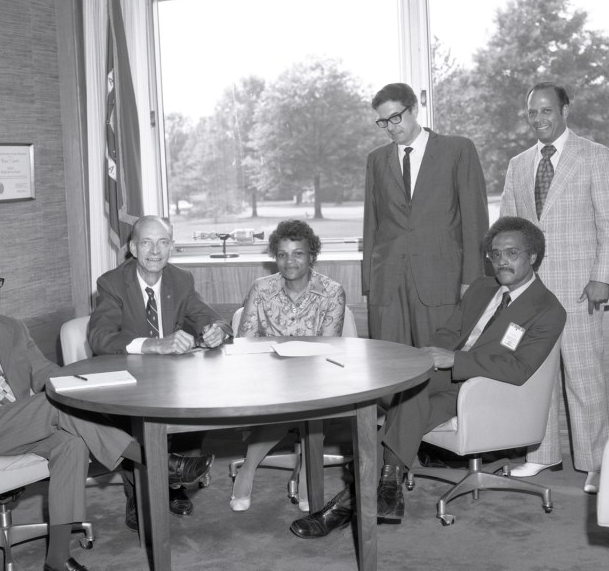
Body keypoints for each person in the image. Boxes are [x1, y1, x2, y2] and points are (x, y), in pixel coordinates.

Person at [0, 252, 213, 571]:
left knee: (70, 443)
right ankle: (156, 459)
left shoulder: (12, 327)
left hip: (16, 422)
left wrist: (88, 385)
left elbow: (46, 374)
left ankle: (57, 559)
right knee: (54, 405)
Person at [289, 216, 566, 537]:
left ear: (532, 255)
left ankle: (346, 503)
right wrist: (429, 356)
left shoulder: (547, 309)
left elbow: (520, 369)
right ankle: (386, 490)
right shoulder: (482, 288)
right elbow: (449, 331)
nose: (501, 261)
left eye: (512, 253)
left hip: (485, 390)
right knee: (388, 384)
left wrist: (455, 360)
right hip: (442, 376)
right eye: (495, 254)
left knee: (405, 395)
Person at [498, 82, 609, 495]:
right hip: (532, 292)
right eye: (532, 113)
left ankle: (596, 463)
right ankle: (541, 454)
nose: (539, 120)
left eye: (546, 111)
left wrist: (602, 276)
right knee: (536, 372)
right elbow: (508, 228)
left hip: (580, 288)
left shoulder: (595, 156)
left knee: (584, 376)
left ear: (565, 110)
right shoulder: (519, 164)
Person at [87, 215, 233, 526]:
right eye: (147, 242)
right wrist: (154, 345)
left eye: (163, 242)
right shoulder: (112, 283)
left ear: (172, 247)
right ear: (132, 247)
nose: (155, 250)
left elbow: (212, 319)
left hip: (172, 378)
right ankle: (137, 493)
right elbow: (100, 338)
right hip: (128, 378)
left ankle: (174, 483)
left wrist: (217, 331)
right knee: (133, 418)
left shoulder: (181, 280)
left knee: (197, 401)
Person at [229, 219, 347, 512]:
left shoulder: (332, 292)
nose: (290, 261)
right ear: (275, 257)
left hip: (318, 377)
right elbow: (245, 343)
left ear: (312, 256)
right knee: (284, 401)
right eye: (282, 254)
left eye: (298, 253)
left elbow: (328, 348)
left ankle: (309, 468)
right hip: (270, 376)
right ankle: (249, 468)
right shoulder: (261, 289)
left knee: (312, 403)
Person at [362, 82, 489, 353]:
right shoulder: (376, 160)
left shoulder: (458, 150)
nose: (391, 127)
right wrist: (370, 285)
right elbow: (371, 224)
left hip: (441, 282)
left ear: (415, 109)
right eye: (383, 122)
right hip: (388, 286)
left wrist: (472, 281)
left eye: (396, 117)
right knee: (389, 367)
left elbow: (475, 221)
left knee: (438, 367)